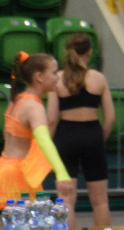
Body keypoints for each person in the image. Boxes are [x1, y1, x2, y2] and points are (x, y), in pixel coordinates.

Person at [46, 33, 115, 230]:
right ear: (90, 52)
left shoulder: (57, 79)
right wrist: (99, 138)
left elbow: (51, 119)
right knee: (100, 201)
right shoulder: (99, 78)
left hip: (66, 134)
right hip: (92, 133)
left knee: (67, 199)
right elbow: (109, 118)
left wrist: (48, 147)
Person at [1, 52, 75, 205]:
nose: (58, 77)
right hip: (19, 175)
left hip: (5, 167)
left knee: (13, 227)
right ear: (39, 77)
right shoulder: (34, 106)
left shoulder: (17, 100)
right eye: (54, 73)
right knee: (24, 228)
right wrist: (61, 172)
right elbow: (43, 139)